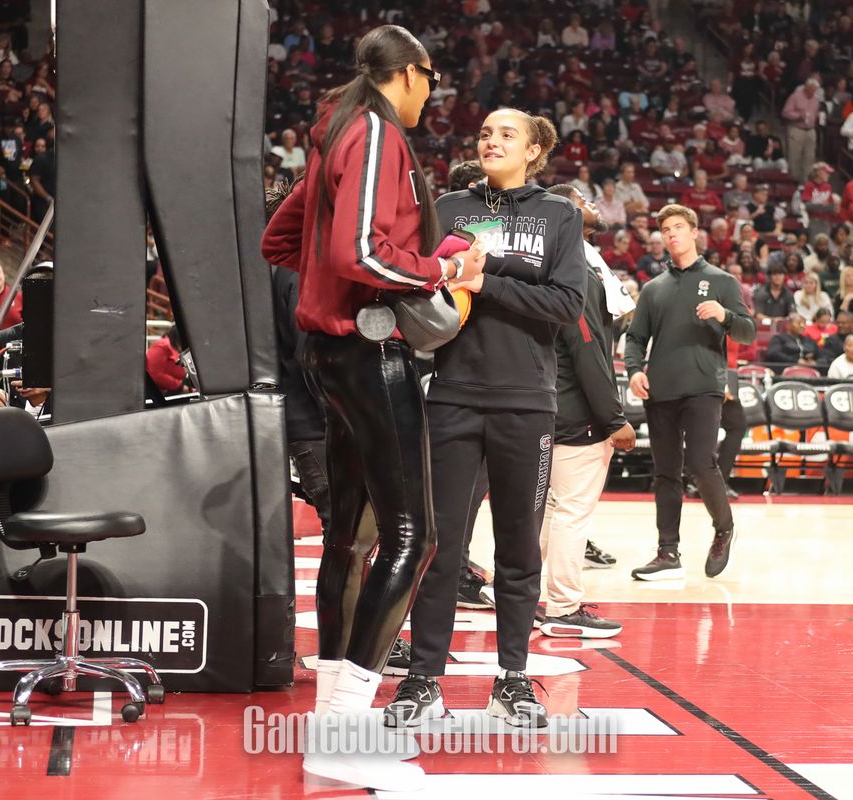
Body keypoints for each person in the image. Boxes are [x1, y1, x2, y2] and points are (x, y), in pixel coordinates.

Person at [259, 26, 484, 791]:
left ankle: (332, 728)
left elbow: (280, 238)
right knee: (412, 537)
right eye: (433, 82)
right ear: (413, 74)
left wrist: (331, 286)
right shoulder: (378, 134)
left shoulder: (335, 130)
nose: (433, 97)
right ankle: (347, 732)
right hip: (366, 350)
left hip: (327, 353)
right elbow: (360, 253)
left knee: (350, 542)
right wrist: (440, 265)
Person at [386, 107, 585, 731]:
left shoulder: (559, 215)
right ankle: (422, 679)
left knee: (518, 548)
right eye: (485, 133)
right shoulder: (447, 208)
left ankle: (514, 678)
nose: (491, 140)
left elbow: (565, 303)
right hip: (452, 394)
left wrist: (483, 278)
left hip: (528, 402)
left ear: (534, 151)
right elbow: (416, 285)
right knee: (440, 544)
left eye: (507, 134)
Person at [625, 203, 755, 581]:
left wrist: (724, 315)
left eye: (678, 227)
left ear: (694, 232)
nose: (671, 235)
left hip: (703, 387)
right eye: (665, 230)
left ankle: (724, 528)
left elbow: (746, 332)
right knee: (665, 473)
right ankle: (668, 552)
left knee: (700, 462)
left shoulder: (722, 281)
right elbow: (635, 338)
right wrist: (634, 370)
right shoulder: (652, 289)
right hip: (661, 390)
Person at [536, 184, 633, 638]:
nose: (591, 202)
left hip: (548, 403)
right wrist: (614, 419)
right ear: (565, 214)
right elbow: (588, 349)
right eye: (580, 198)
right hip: (577, 410)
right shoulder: (575, 269)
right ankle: (563, 607)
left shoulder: (553, 263)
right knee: (573, 512)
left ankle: (543, 598)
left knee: (555, 510)